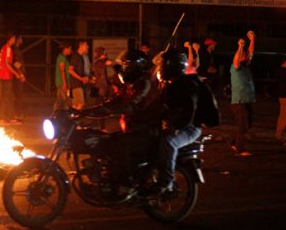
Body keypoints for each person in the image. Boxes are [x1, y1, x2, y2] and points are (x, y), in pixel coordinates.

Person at [82, 49, 160, 198]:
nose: (122, 71)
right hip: (134, 130)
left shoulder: (145, 85)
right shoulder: (131, 85)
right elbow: (114, 101)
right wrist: (87, 112)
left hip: (147, 132)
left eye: (125, 67)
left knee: (120, 143)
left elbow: (130, 106)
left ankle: (127, 185)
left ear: (134, 68)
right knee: (105, 140)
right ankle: (108, 178)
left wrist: (106, 111)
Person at [154, 48, 203, 193]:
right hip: (176, 123)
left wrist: (176, 126)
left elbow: (189, 111)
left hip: (190, 127)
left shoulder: (186, 85)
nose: (160, 68)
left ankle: (166, 182)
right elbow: (160, 107)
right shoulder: (168, 85)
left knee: (168, 142)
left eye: (163, 65)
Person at [230, 31, 256, 156]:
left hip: (247, 99)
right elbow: (236, 60)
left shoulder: (245, 66)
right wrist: (240, 46)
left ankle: (234, 142)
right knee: (243, 125)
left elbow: (250, 54)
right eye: (244, 55)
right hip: (240, 100)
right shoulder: (236, 67)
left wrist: (252, 40)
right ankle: (240, 149)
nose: (247, 56)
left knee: (247, 123)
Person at [0, 33, 24, 124]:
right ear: (11, 39)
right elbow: (7, 63)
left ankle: (10, 116)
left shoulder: (4, 48)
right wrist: (16, 73)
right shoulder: (8, 48)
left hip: (4, 75)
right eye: (13, 38)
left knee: (9, 96)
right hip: (6, 75)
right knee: (5, 97)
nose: (14, 40)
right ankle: (0, 117)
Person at [68, 39, 91, 110]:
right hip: (76, 84)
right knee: (81, 103)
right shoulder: (76, 56)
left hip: (78, 84)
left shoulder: (81, 57)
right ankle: (74, 120)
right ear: (81, 46)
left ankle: (71, 119)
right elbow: (70, 70)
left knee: (75, 105)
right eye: (86, 45)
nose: (88, 46)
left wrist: (85, 78)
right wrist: (81, 79)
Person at [53, 42, 72, 112]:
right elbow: (62, 71)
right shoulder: (61, 57)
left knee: (59, 101)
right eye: (70, 49)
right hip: (62, 83)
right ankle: (68, 116)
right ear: (65, 49)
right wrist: (64, 83)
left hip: (62, 83)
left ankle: (54, 115)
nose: (70, 50)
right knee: (66, 100)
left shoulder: (63, 57)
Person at [12, 35, 27, 120]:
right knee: (19, 96)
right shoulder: (15, 50)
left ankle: (17, 113)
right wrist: (21, 74)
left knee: (19, 96)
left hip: (18, 75)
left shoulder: (16, 50)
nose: (22, 40)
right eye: (21, 38)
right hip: (17, 76)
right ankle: (17, 114)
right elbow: (15, 63)